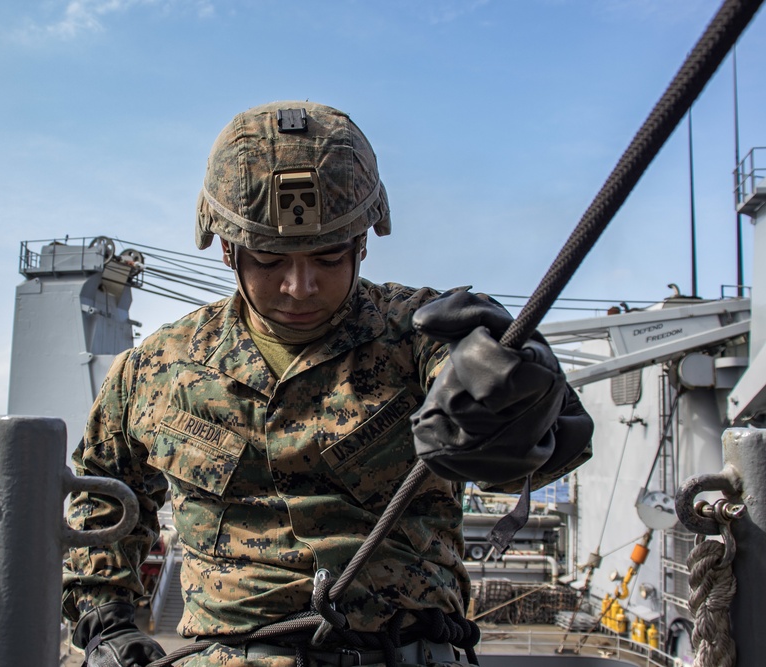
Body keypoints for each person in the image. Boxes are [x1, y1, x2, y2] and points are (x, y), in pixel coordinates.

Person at [62, 101, 593, 667]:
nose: (299, 286)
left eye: (329, 256)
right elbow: (101, 497)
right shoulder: (154, 370)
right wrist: (106, 623)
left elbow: (544, 450)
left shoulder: (423, 336)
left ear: (362, 243)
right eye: (268, 260)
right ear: (227, 249)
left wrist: (520, 399)